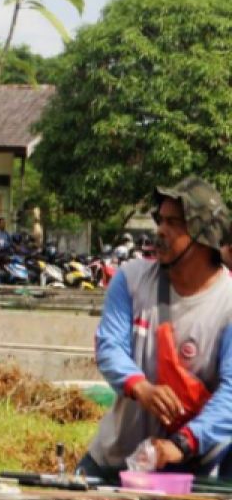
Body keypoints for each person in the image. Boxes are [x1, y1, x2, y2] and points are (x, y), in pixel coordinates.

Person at [80, 176, 232, 482]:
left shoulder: (227, 305)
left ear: (205, 235)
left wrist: (181, 443)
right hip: (114, 460)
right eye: (160, 220)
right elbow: (110, 347)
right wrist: (141, 387)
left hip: (187, 471)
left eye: (174, 223)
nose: (160, 230)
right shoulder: (131, 280)